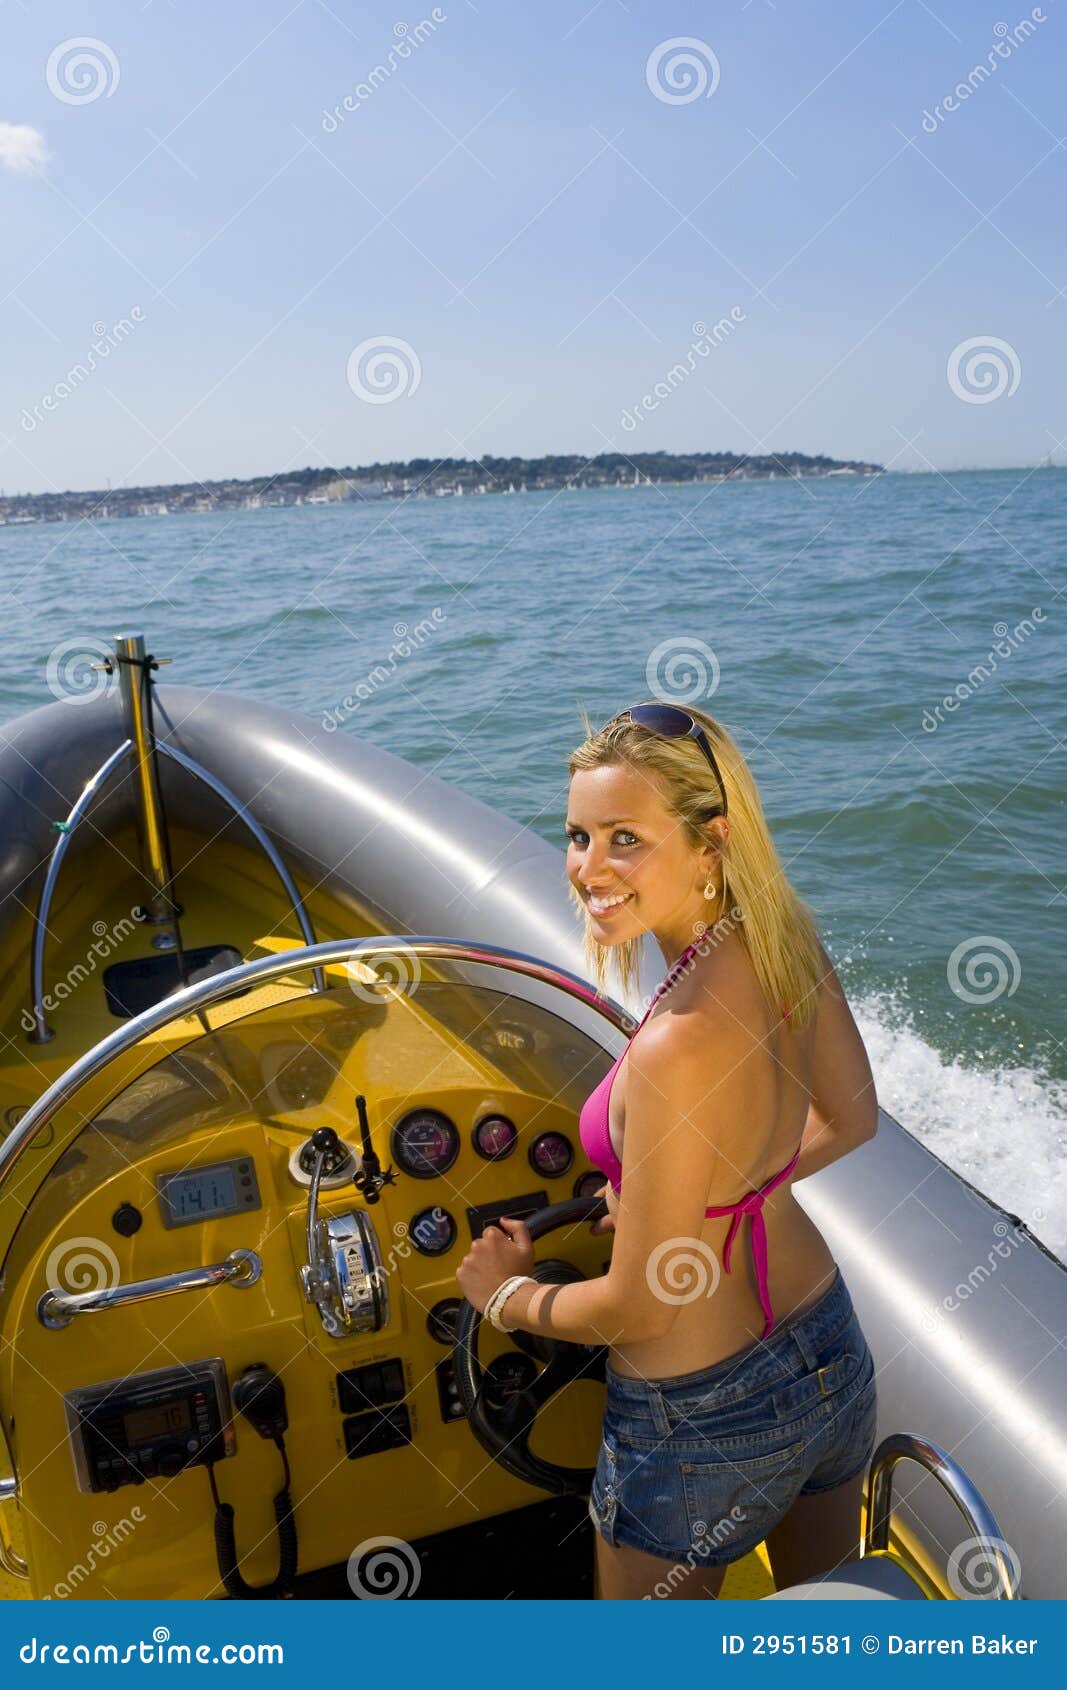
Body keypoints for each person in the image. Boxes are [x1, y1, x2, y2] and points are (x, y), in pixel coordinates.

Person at [456, 702, 879, 1599]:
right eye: (577, 836)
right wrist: (697, 1199)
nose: (588, 870)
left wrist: (507, 1297)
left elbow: (641, 1308)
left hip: (698, 1421)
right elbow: (849, 1120)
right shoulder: (781, 939)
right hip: (826, 1349)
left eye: (624, 840)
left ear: (711, 843)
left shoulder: (670, 1049)